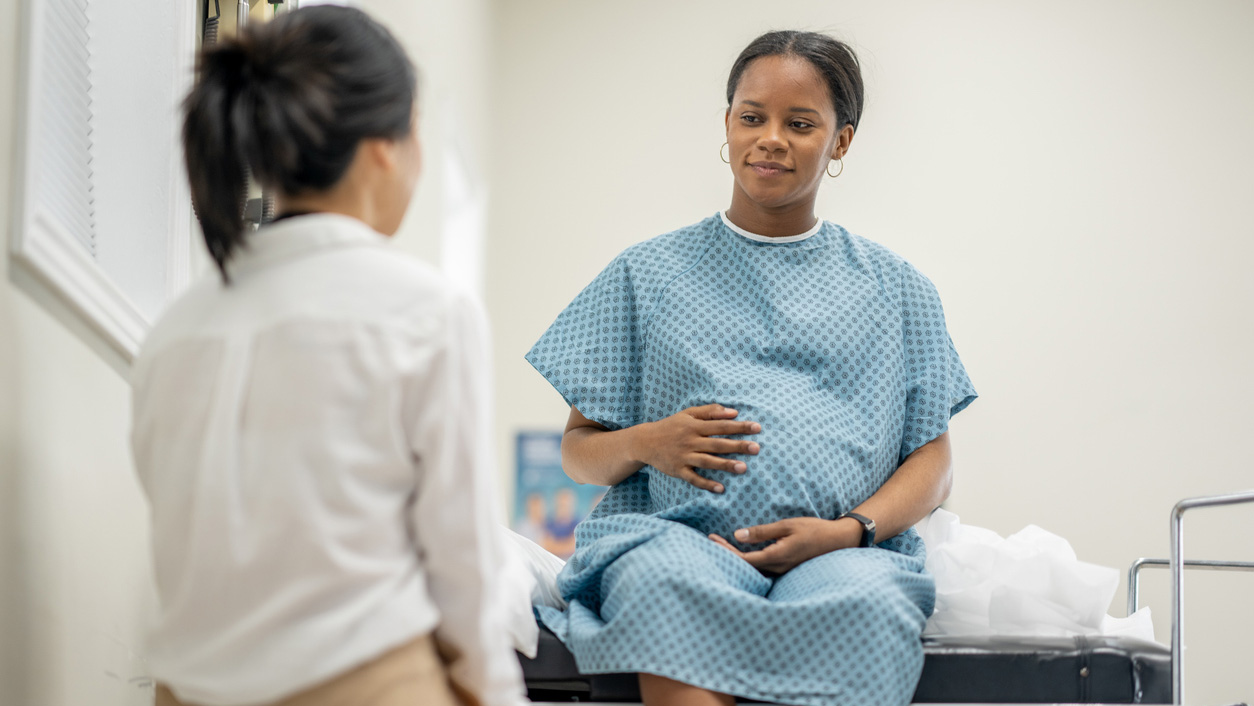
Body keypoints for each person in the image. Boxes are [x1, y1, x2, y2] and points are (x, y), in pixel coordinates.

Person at [525, 30, 977, 706]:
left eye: (800, 124)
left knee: (872, 604)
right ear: (727, 125)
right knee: (660, 585)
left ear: (841, 142)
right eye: (751, 116)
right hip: (679, 542)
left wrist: (848, 531)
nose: (771, 138)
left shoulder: (898, 289)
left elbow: (934, 465)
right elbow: (580, 454)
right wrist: (649, 442)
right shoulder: (646, 274)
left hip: (841, 557)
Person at [129, 7, 524, 706]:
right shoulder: (426, 309)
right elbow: (464, 566)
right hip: (362, 684)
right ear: (385, 147)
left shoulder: (176, 328)